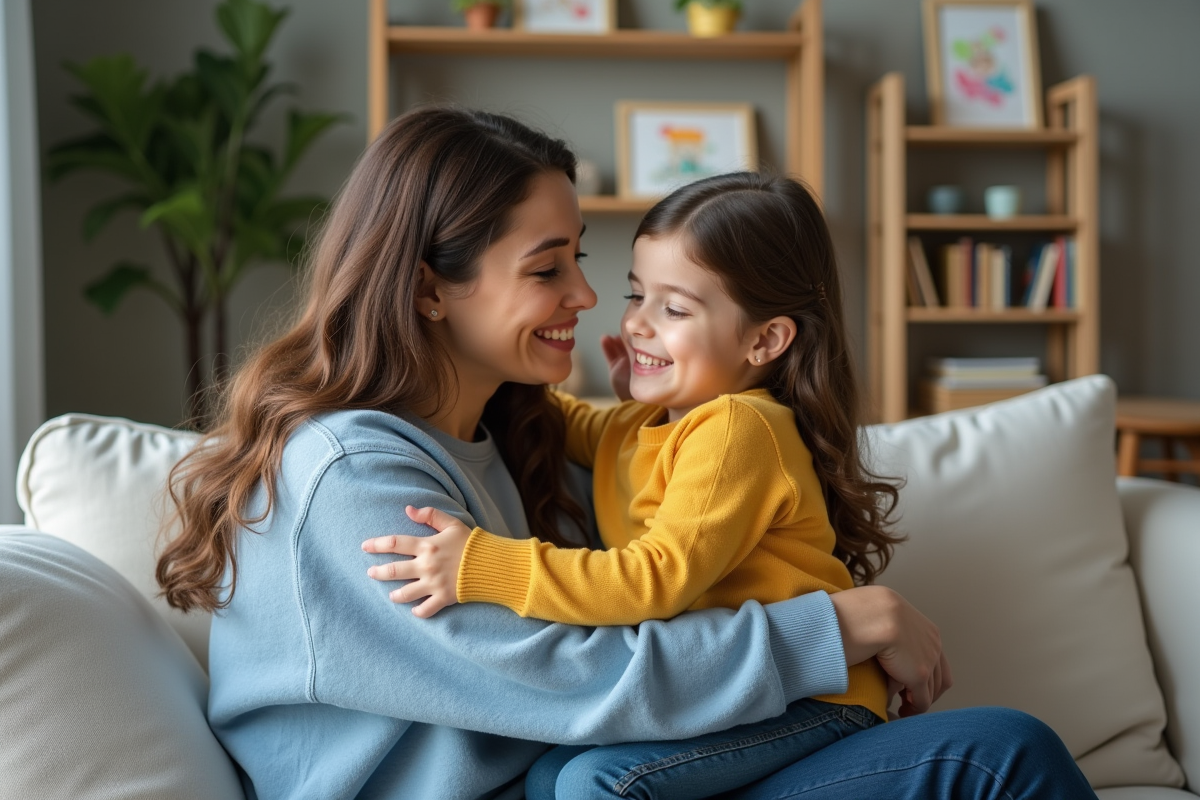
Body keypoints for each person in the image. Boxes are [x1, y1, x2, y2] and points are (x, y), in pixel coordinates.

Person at [155, 106, 1096, 800]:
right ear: (431, 291)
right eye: (546, 268)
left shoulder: (495, 436)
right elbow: (579, 673)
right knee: (999, 758)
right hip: (555, 780)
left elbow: (655, 501)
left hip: (583, 773)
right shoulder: (354, 479)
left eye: (583, 260)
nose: (589, 298)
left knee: (1005, 751)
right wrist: (842, 628)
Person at [365, 172, 900, 799]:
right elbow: (565, 422)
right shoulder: (643, 423)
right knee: (547, 775)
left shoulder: (739, 429)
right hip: (728, 692)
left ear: (765, 340)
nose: (639, 324)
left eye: (674, 309)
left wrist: (486, 566)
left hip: (813, 695)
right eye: (636, 294)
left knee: (599, 780)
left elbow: (653, 580)